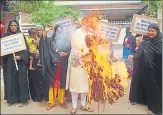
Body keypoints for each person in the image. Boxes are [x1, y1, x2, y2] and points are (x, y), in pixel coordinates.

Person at [128, 23, 162, 114]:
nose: (150, 32)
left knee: (157, 88)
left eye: (153, 31)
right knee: (150, 87)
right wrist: (133, 56)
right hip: (147, 69)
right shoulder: (145, 42)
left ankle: (156, 107)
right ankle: (151, 106)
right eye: (149, 30)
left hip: (158, 70)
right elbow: (139, 53)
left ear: (157, 31)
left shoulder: (161, 42)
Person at [1, 19, 30, 107]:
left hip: (20, 63)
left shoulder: (21, 36)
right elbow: (2, 51)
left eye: (15, 25)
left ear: (17, 26)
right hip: (9, 63)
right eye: (12, 25)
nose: (13, 27)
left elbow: (26, 50)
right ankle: (12, 99)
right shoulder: (5, 37)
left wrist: (20, 56)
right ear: (9, 26)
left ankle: (23, 99)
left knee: (22, 81)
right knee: (11, 81)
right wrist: (7, 52)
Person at [66, 22, 93, 114]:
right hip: (76, 61)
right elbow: (76, 45)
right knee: (75, 84)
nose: (87, 26)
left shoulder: (90, 34)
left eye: (89, 25)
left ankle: (83, 105)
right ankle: (74, 106)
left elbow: (93, 47)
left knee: (84, 84)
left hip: (86, 62)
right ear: (82, 24)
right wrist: (82, 54)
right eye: (86, 24)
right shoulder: (75, 33)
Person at [44, 25, 71, 110]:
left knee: (61, 83)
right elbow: (44, 44)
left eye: (61, 30)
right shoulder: (50, 40)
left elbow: (70, 51)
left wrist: (66, 54)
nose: (59, 31)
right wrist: (45, 32)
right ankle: (51, 102)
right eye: (58, 30)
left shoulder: (67, 41)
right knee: (52, 83)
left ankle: (61, 101)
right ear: (55, 31)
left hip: (63, 64)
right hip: (53, 64)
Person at [28, 25, 52, 102]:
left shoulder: (48, 40)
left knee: (46, 81)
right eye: (37, 30)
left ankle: (46, 96)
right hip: (34, 64)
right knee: (35, 81)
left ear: (42, 31)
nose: (38, 32)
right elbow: (28, 49)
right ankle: (37, 97)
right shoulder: (32, 40)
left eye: (40, 30)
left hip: (45, 64)